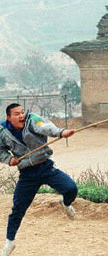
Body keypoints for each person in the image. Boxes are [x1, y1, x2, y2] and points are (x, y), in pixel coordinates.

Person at [0, 103, 78, 256]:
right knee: (17, 210)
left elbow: (47, 127)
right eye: (16, 114)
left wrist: (61, 133)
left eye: (22, 112)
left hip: (45, 167)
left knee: (71, 189)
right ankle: (9, 243)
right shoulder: (2, 131)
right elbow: (0, 150)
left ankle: (66, 204)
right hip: (27, 174)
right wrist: (9, 159)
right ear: (9, 118)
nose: (21, 115)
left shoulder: (32, 119)